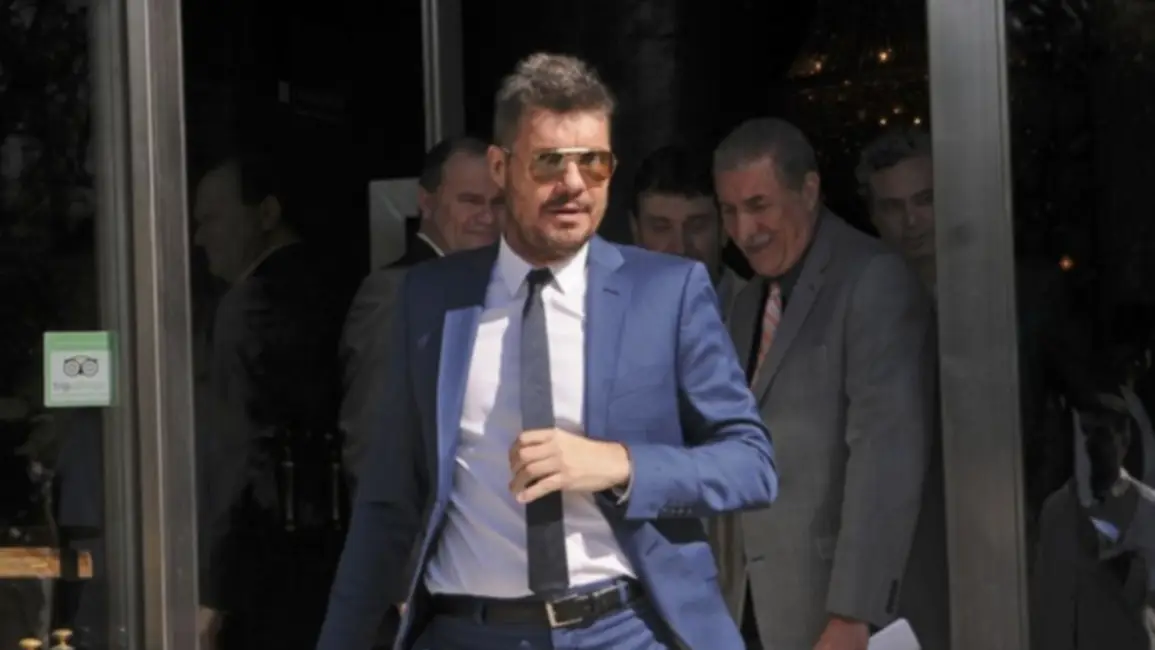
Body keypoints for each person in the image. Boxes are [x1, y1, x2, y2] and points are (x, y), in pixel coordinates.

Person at [315, 52, 777, 650]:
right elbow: (387, 503)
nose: (575, 184)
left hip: (626, 629)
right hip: (468, 632)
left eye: (594, 162)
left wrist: (620, 465)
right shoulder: (432, 299)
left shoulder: (666, 292)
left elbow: (750, 463)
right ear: (500, 167)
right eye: (550, 161)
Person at [716, 118, 938, 650]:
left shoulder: (873, 278)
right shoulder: (748, 302)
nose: (745, 230)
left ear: (809, 190)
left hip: (838, 618)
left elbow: (885, 454)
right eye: (730, 211)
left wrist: (853, 613)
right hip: (752, 611)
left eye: (759, 205)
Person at [629, 144, 745, 317]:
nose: (680, 249)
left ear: (725, 229)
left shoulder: (768, 319)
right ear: (636, 231)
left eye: (697, 226)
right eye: (661, 228)